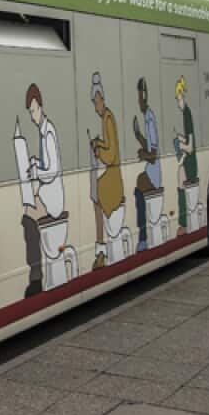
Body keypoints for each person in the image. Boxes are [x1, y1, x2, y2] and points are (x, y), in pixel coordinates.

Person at [21, 83, 65, 297]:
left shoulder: (48, 132)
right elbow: (48, 164)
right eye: (30, 112)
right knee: (28, 213)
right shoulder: (43, 131)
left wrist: (37, 171)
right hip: (48, 192)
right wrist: (36, 162)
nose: (32, 116)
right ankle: (35, 274)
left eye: (34, 111)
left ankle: (36, 276)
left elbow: (54, 170)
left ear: (40, 106)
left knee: (28, 217)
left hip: (53, 197)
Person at [88, 73, 124, 269]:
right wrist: (98, 142)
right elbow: (109, 144)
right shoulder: (107, 117)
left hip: (113, 175)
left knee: (96, 199)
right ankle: (100, 249)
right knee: (95, 195)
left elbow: (111, 155)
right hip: (111, 173)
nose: (95, 106)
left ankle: (101, 251)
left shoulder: (108, 118)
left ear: (101, 99)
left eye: (96, 102)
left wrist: (98, 150)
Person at [131, 78, 161, 251]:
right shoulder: (147, 117)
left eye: (141, 97)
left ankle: (142, 237)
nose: (139, 101)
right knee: (138, 183)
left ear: (146, 96)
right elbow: (148, 145)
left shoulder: (150, 118)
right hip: (151, 170)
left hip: (154, 173)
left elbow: (154, 154)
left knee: (139, 184)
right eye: (138, 98)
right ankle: (142, 234)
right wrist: (137, 135)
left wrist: (144, 155)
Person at [174, 77, 197, 236]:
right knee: (179, 178)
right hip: (188, 160)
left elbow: (191, 147)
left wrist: (180, 144)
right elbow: (188, 139)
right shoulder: (185, 114)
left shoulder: (187, 114)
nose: (178, 102)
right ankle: (183, 223)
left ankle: (184, 223)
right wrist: (180, 138)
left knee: (180, 178)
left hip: (191, 162)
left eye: (179, 98)